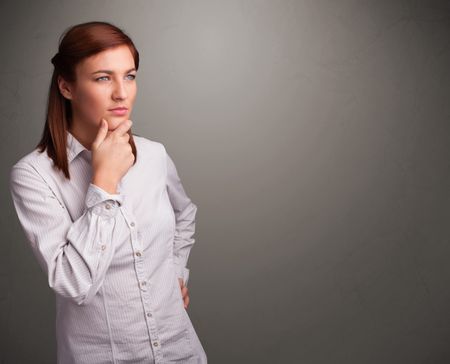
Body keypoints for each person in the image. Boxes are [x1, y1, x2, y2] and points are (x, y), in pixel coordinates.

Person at [8, 21, 207, 364]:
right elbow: (74, 283)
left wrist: (176, 272)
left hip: (179, 351)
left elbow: (184, 213)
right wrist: (103, 182)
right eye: (103, 78)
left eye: (129, 76)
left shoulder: (154, 155)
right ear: (66, 86)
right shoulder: (33, 175)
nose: (121, 92)